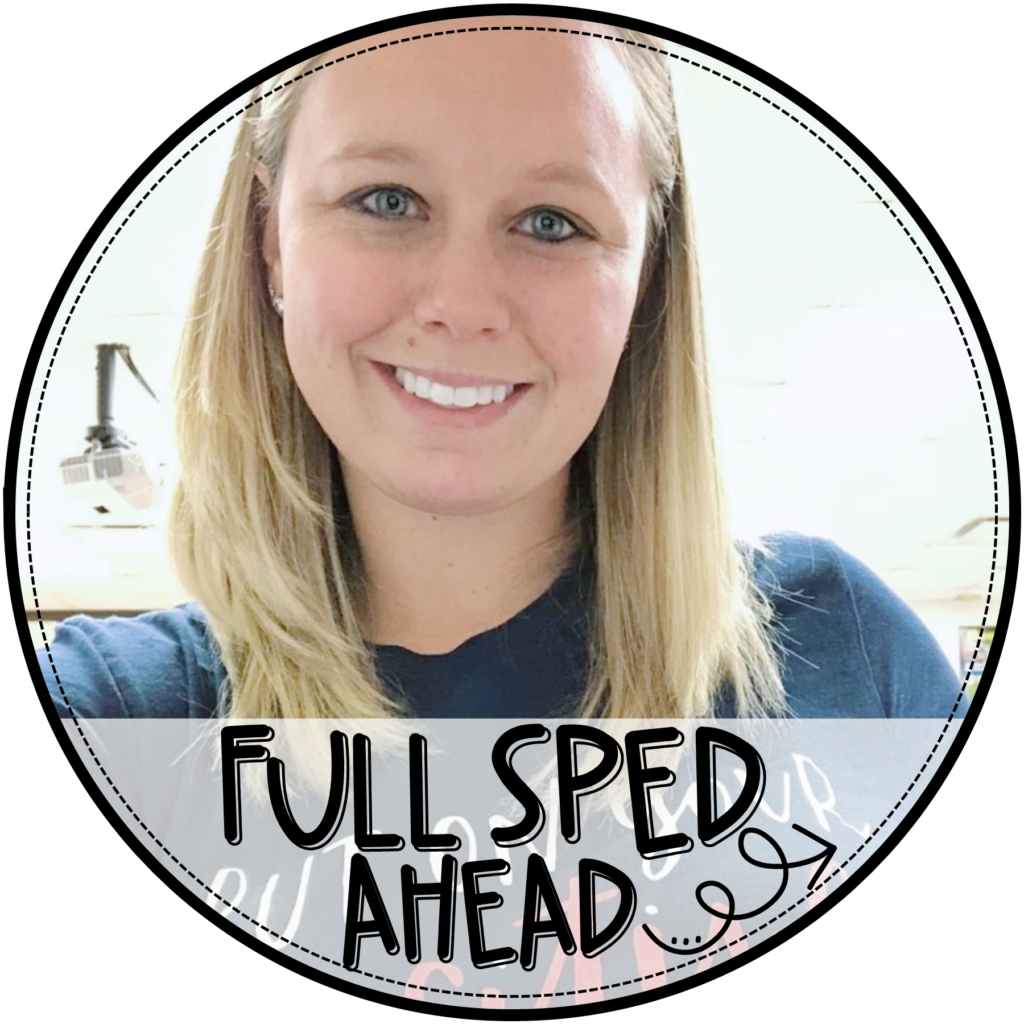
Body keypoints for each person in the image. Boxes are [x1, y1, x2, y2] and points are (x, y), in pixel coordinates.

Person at [38, 16, 964, 725]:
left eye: (552, 223)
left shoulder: (845, 657)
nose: (464, 301)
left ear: (646, 280)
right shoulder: (111, 713)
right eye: (386, 200)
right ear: (269, 240)